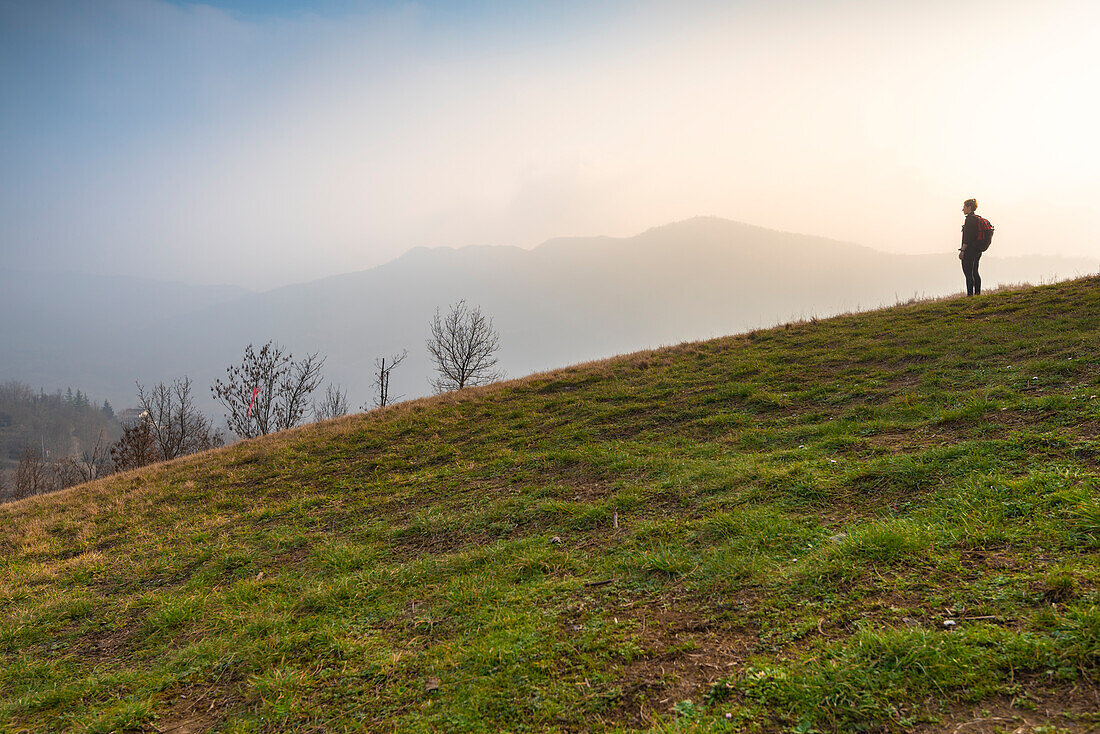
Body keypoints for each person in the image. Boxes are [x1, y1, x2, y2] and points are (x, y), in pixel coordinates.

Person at [959, 198, 982, 296]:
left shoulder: (969, 220)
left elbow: (967, 238)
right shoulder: (977, 219)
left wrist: (962, 250)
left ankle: (970, 295)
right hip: (977, 250)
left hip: (969, 250)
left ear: (969, 207)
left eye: (964, 207)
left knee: (968, 273)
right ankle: (977, 294)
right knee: (975, 272)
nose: (962, 209)